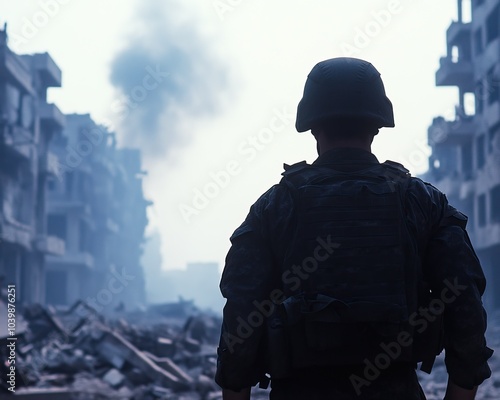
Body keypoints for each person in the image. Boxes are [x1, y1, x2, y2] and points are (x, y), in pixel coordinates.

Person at [215, 57, 493, 400]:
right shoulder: (422, 202)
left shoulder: (276, 206)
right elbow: (464, 303)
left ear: (313, 127)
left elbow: (241, 317)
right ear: (376, 126)